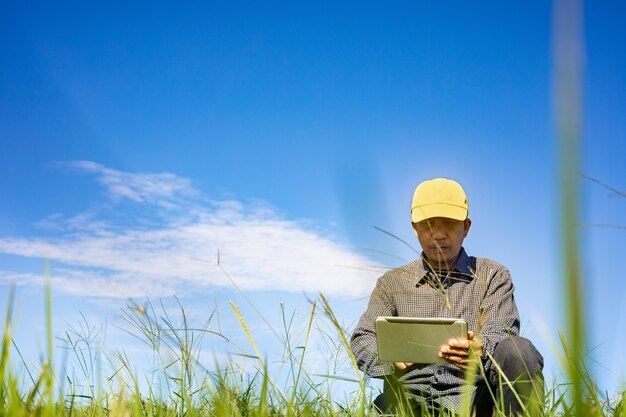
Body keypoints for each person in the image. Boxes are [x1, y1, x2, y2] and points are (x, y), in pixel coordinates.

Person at [350, 178, 544, 416]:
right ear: (415, 228)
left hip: (476, 400)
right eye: (429, 224)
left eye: (449, 224)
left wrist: (480, 349)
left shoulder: (492, 275)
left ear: (466, 227)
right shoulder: (391, 283)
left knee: (518, 350)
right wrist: (390, 356)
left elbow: (501, 334)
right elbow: (362, 339)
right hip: (409, 399)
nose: (439, 234)